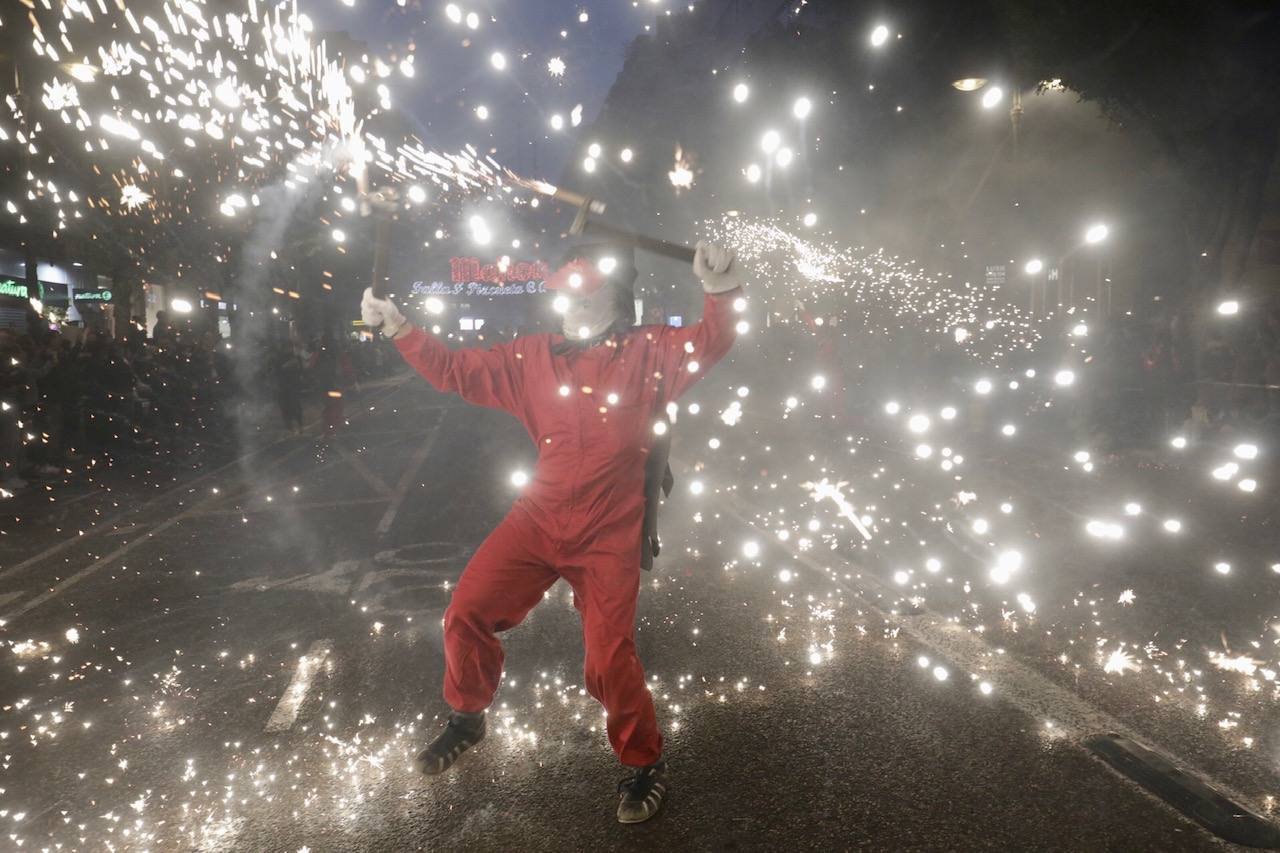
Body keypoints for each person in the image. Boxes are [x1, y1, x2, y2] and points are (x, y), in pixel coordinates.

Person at [360, 240, 743, 824]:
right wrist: (398, 327)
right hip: (537, 521)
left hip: (608, 532)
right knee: (466, 609)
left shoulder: (650, 351)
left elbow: (711, 341)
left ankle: (645, 763)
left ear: (616, 301)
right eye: (566, 292)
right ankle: (468, 718)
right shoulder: (532, 357)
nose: (571, 301)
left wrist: (719, 290)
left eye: (584, 292)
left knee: (609, 658)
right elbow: (457, 371)